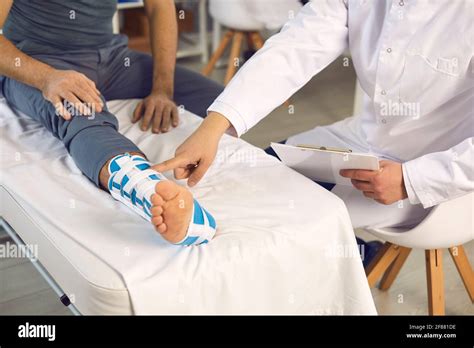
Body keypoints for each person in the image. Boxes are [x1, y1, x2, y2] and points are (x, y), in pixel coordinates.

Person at [154, 0, 473, 254]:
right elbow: (295, 48)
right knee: (259, 169)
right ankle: (358, 253)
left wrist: (411, 180)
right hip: (367, 138)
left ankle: (344, 261)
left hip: (439, 177)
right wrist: (215, 126)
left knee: (272, 219)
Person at [0, 0, 224, 246]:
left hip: (113, 59)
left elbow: (160, 7)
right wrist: (48, 78)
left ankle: (271, 156)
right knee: (81, 114)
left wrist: (162, 90)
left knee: (219, 102)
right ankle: (148, 191)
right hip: (42, 62)